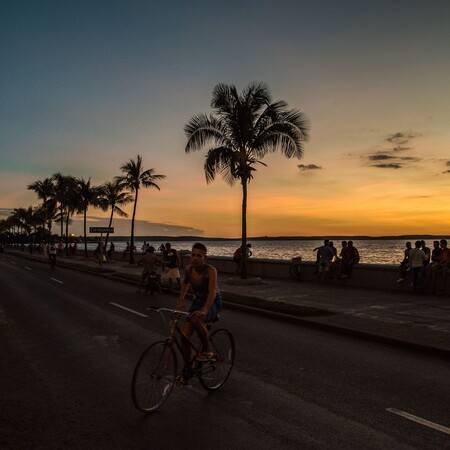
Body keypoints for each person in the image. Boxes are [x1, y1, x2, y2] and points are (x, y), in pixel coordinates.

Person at [177, 243, 222, 381]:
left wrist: (205, 309)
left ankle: (208, 350)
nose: (195, 258)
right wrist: (181, 301)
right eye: (193, 254)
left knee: (197, 319)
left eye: (199, 256)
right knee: (184, 336)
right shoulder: (189, 269)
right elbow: (185, 284)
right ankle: (188, 368)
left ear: (205, 258)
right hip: (198, 301)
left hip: (213, 302)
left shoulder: (211, 271)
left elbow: (212, 293)